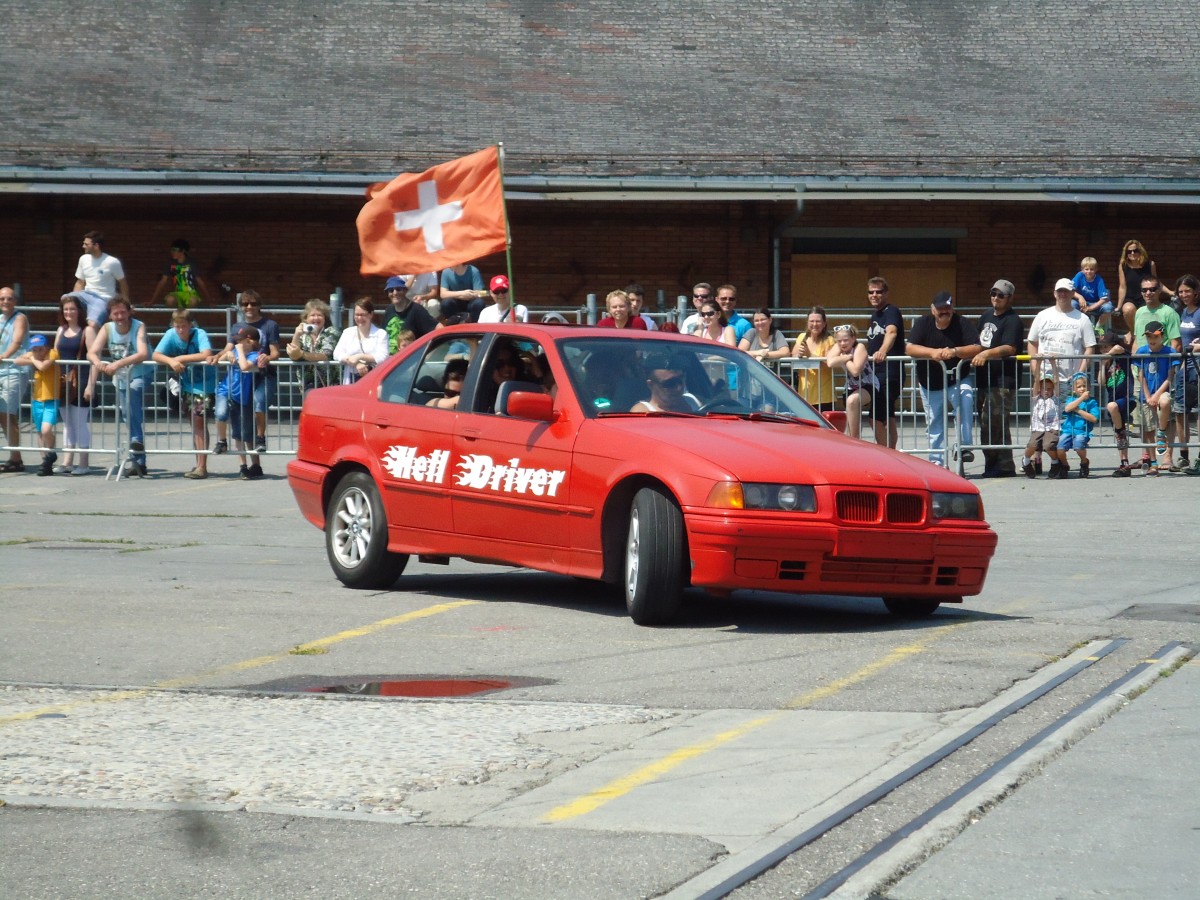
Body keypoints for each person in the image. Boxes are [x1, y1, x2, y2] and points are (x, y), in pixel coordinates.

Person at [906, 291, 982, 468]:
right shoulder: (923, 323)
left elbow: (976, 347)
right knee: (934, 422)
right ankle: (936, 462)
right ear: (933, 309)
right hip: (930, 383)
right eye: (940, 308)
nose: (944, 311)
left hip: (958, 378)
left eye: (947, 308)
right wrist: (932, 353)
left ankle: (964, 447)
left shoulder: (962, 322)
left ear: (952, 308)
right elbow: (909, 348)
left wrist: (955, 351)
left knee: (966, 400)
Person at [87, 297, 150, 478]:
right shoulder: (107, 328)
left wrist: (118, 364)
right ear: (110, 315)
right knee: (127, 414)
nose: (120, 316)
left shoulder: (139, 326)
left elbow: (143, 353)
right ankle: (139, 462)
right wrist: (98, 363)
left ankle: (136, 440)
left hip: (140, 373)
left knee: (133, 391)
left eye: (123, 312)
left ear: (129, 312)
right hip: (121, 377)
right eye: (116, 313)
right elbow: (92, 352)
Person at [212, 290, 280, 456]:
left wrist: (267, 357)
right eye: (245, 304)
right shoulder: (237, 327)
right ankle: (247, 461)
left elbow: (275, 352)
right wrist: (216, 356)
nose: (249, 307)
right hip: (243, 377)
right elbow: (228, 348)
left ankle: (261, 438)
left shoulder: (270, 325)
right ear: (240, 307)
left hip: (263, 374)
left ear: (259, 306)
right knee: (242, 417)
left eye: (253, 304)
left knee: (259, 402)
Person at [152, 310, 217, 479]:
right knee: (194, 423)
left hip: (204, 385)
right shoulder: (170, 334)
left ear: (190, 325)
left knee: (198, 421)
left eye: (184, 326)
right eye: (177, 326)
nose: (180, 330)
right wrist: (171, 361)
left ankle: (201, 466)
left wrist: (181, 358)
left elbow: (206, 354)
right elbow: (156, 355)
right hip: (186, 385)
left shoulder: (200, 334)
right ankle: (199, 462)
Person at [972, 279, 1024, 477]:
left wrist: (986, 354)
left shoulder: (1013, 320)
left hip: (1003, 381)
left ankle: (1002, 466)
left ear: (1010, 298)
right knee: (986, 423)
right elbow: (978, 342)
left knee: (995, 423)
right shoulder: (986, 316)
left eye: (1001, 295)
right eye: (993, 294)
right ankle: (995, 464)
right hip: (984, 379)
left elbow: (1010, 347)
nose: (996, 298)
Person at [1027, 278, 1097, 405]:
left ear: (1072, 293)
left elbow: (1089, 347)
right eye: (1059, 291)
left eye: (1066, 291)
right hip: (1044, 379)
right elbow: (1032, 342)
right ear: (1054, 293)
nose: (1062, 294)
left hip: (1070, 380)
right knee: (1043, 416)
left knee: (1069, 415)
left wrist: (1079, 374)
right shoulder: (1042, 315)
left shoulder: (1083, 319)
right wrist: (1034, 369)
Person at [52, 295, 95, 475]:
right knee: (67, 423)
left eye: (72, 309)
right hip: (63, 381)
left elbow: (94, 359)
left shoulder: (87, 331)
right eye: (66, 309)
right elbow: (54, 354)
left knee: (79, 423)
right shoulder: (61, 330)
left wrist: (91, 385)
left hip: (81, 379)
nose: (68, 312)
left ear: (79, 311)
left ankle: (84, 463)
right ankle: (67, 461)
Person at [216, 326, 265, 480]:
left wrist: (239, 351)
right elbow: (220, 359)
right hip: (226, 390)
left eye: (240, 341)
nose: (237, 343)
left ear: (249, 341)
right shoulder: (236, 351)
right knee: (221, 414)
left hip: (242, 397)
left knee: (242, 434)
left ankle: (249, 466)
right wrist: (228, 353)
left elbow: (244, 366)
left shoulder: (255, 355)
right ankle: (222, 441)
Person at [1133, 320, 1181, 475]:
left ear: (1162, 336)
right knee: (1148, 429)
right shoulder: (1141, 351)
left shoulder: (1169, 351)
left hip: (1162, 391)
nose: (1152, 339)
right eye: (1149, 336)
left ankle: (1161, 432)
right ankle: (1153, 463)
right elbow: (1141, 376)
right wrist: (1148, 396)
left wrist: (1157, 395)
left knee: (1165, 401)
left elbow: (1170, 376)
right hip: (1146, 395)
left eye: (1155, 336)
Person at [864, 277, 905, 448]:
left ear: (886, 293)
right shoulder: (875, 315)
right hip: (876, 372)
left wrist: (882, 351)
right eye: (871, 292)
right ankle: (891, 451)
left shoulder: (891, 311)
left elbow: (892, 332)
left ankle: (886, 454)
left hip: (889, 372)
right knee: (888, 416)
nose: (874, 295)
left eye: (878, 292)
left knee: (876, 417)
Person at [62, 231, 130, 330]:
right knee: (65, 298)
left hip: (103, 298)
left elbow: (122, 283)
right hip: (86, 294)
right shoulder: (83, 259)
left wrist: (126, 304)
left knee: (92, 324)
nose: (83, 246)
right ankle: (69, 331)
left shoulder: (112, 262)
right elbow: (80, 282)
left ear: (96, 246)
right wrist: (74, 301)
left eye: (86, 244)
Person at [12, 334, 59, 476]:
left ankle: (51, 452)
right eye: (35, 350)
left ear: (46, 347)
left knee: (46, 430)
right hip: (38, 398)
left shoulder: (52, 353)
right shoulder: (33, 355)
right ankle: (45, 462)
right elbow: (16, 360)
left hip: (51, 398)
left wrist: (32, 359)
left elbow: (43, 367)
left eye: (40, 349)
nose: (38, 352)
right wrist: (32, 357)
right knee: (39, 431)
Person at [825, 323, 876, 439]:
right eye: (839, 341)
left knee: (852, 401)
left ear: (853, 338)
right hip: (851, 386)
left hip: (869, 385)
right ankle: (853, 439)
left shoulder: (859, 347)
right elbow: (830, 363)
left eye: (846, 340)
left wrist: (844, 359)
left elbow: (855, 371)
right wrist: (846, 357)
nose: (842, 343)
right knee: (850, 423)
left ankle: (854, 439)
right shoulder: (840, 347)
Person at [0, 286, 32, 472]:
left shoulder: (20, 318)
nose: (5, 301)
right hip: (1, 370)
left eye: (9, 298)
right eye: (2, 298)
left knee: (7, 414)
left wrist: (4, 356)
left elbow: (17, 341)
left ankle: (15, 458)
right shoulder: (0, 319)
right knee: (2, 415)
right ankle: (14, 456)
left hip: (14, 370)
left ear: (15, 301)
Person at [1098, 329, 1136, 477]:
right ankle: (1124, 463)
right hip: (1113, 402)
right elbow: (1101, 382)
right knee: (1120, 432)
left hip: (1126, 398)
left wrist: (1109, 353)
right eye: (1101, 347)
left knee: (1112, 408)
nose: (1103, 350)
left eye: (1106, 346)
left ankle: (1120, 433)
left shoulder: (1122, 356)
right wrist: (1102, 365)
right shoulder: (1106, 362)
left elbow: (1119, 348)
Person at [1174, 275, 1200, 475]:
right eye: (1181, 291)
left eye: (1188, 291)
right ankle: (1184, 456)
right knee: (1181, 411)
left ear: (1196, 292)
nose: (1184, 295)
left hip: (1199, 367)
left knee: (1199, 413)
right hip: (1185, 367)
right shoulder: (1183, 312)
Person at [285, 299, 340, 393]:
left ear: (325, 318)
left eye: (319, 315)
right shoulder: (303, 335)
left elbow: (325, 355)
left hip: (329, 384)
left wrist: (301, 354)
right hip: (307, 384)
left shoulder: (331, 332)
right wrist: (296, 335)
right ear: (306, 319)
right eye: (312, 315)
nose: (316, 318)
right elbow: (293, 354)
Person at [791, 306, 837, 410]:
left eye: (818, 321)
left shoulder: (829, 340)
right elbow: (792, 358)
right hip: (804, 395)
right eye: (811, 321)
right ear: (807, 323)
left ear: (824, 324)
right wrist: (798, 356)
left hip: (824, 396)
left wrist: (809, 355)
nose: (815, 324)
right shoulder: (802, 337)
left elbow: (829, 365)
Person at [333, 297, 388, 384]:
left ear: (371, 314)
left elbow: (382, 356)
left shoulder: (381, 334)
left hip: (373, 379)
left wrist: (360, 357)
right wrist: (355, 362)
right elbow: (337, 353)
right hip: (351, 379)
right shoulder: (348, 332)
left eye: (363, 315)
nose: (359, 318)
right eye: (356, 314)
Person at [1056, 372, 1100, 479]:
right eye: (1079, 387)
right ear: (1074, 389)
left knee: (1079, 446)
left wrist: (1078, 411)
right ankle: (1064, 465)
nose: (1082, 389)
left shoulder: (1092, 402)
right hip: (1068, 430)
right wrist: (1081, 399)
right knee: (1060, 448)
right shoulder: (1071, 399)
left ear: (1089, 388)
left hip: (1082, 430)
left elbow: (1094, 418)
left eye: (1084, 386)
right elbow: (1067, 409)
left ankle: (1084, 462)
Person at [148, 238, 211, 309]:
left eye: (175, 250)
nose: (172, 252)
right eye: (171, 250)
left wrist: (209, 301)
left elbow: (200, 282)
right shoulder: (170, 263)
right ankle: (176, 315)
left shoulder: (191, 263)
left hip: (190, 293)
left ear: (183, 251)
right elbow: (162, 282)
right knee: (170, 300)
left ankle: (186, 316)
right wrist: (152, 301)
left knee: (193, 301)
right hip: (176, 293)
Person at [381, 276, 436, 354]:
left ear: (405, 291)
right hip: (389, 359)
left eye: (398, 289)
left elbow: (438, 329)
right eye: (391, 290)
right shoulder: (389, 309)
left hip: (410, 359)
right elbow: (382, 335)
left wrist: (428, 355)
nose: (395, 293)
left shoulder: (416, 309)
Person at [1021, 375, 1062, 479]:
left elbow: (1056, 382)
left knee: (1048, 445)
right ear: (1040, 389)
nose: (1046, 391)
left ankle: (1055, 462)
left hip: (1051, 427)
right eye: (1044, 388)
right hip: (1038, 427)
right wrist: (1038, 366)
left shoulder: (1055, 399)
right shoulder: (1036, 398)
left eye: (1049, 389)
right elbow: (1036, 381)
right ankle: (1026, 462)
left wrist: (1054, 365)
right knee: (1032, 445)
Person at [1117, 240, 1164, 331]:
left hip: (1147, 297)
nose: (1132, 253)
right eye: (1129, 251)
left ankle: (1142, 333)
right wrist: (1119, 306)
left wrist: (1170, 292)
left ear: (1140, 251)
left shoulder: (1150, 264)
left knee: (1144, 312)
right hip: (1130, 298)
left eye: (1135, 250)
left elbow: (1156, 283)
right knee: (1128, 309)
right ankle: (1134, 332)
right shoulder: (1123, 266)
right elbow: (1122, 287)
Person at [631, 355, 700, 413]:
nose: (679, 388)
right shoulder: (642, 412)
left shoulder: (694, 401)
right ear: (651, 385)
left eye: (680, 381)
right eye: (670, 383)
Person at [1131, 276, 1182, 351]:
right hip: (1141, 358)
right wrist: (1134, 358)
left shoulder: (1169, 313)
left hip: (1162, 357)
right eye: (1144, 290)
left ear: (1159, 290)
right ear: (1141, 292)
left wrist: (1169, 358)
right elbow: (1136, 341)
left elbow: (1176, 344)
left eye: (1152, 289)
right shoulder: (1139, 312)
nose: (1148, 293)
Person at [1072, 256, 1111, 329]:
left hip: (1096, 303)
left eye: (1092, 269)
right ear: (1082, 269)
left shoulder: (1099, 280)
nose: (1089, 271)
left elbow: (1103, 299)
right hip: (1082, 303)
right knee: (1071, 304)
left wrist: (1090, 308)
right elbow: (1070, 290)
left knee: (1108, 307)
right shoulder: (1079, 275)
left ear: (1096, 269)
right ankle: (1076, 327)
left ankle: (1098, 327)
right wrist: (1080, 297)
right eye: (1086, 269)